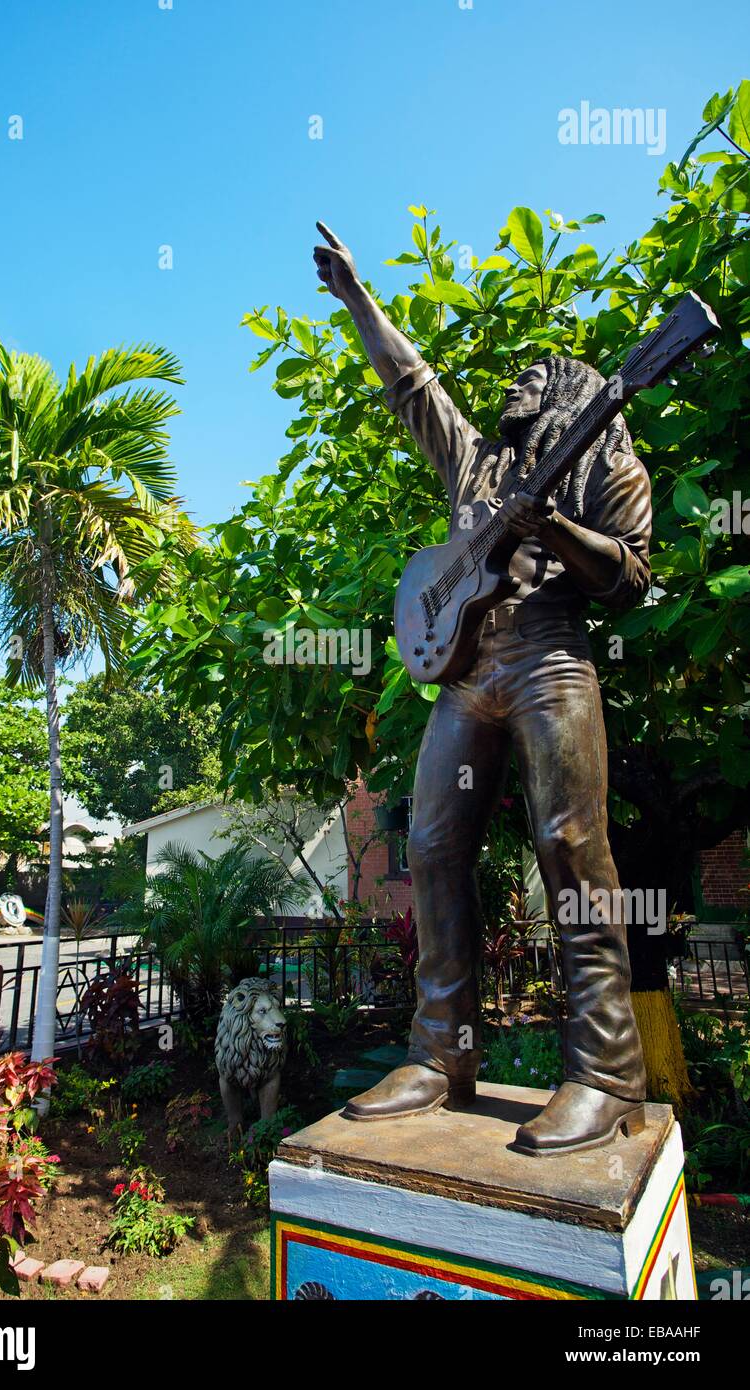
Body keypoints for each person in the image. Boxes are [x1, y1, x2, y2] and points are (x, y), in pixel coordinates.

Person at [314, 222, 649, 1154]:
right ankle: (440, 1053)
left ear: (572, 395)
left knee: (571, 843)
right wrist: (357, 296)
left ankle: (608, 1071)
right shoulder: (476, 464)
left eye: (531, 378)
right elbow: (411, 384)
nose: (511, 386)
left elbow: (627, 578)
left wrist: (557, 529)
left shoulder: (609, 463)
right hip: (469, 671)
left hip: (549, 656)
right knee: (429, 842)